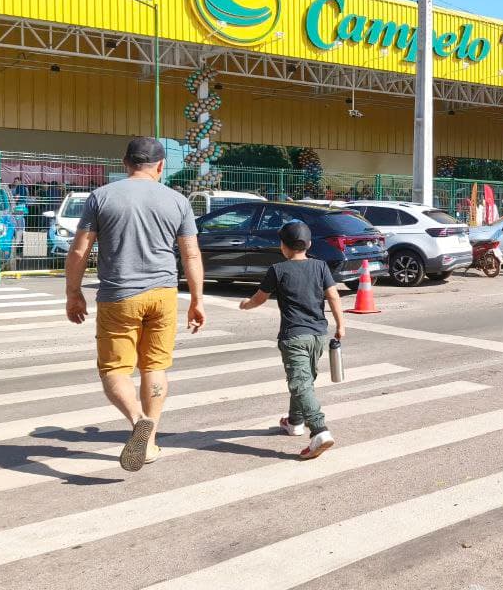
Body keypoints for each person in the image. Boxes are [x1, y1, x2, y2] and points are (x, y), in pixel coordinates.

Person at [65, 137, 205, 473]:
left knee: (115, 370)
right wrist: (197, 300)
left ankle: (137, 419)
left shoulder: (102, 197)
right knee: (155, 367)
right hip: (164, 296)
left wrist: (73, 292)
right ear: (160, 166)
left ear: (126, 163)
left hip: (119, 296)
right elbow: (191, 254)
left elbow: (79, 250)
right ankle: (151, 438)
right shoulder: (178, 201)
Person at [238, 221, 345, 460]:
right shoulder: (320, 266)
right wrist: (341, 325)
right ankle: (295, 421)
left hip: (294, 336)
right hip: (318, 335)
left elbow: (259, 298)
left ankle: (319, 430)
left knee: (300, 383)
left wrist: (246, 304)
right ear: (308, 244)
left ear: (283, 247)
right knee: (304, 380)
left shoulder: (278, 269)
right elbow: (334, 297)